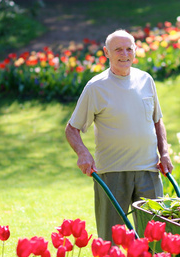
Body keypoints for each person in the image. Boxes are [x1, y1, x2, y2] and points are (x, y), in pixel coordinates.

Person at [65, 29, 173, 243]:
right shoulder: (96, 87)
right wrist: (83, 154)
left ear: (135, 52)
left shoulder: (146, 80)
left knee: (155, 240)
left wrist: (165, 153)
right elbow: (71, 129)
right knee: (110, 240)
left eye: (129, 49)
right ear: (106, 52)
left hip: (149, 171)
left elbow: (157, 120)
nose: (124, 54)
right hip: (112, 172)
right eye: (118, 49)